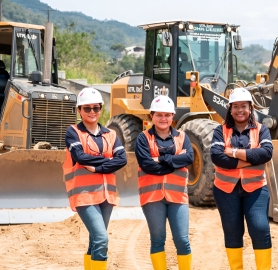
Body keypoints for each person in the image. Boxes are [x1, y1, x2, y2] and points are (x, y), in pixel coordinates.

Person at [63, 87, 127, 270]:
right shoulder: (73, 132)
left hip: (107, 195)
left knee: (95, 239)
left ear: (100, 109)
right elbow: (80, 157)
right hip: (84, 195)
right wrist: (108, 161)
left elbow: (122, 159)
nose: (92, 112)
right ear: (79, 110)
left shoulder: (111, 134)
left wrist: (98, 167)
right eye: (87, 108)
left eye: (96, 108)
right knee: (101, 238)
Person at [210, 88, 273, 270]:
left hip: (255, 188)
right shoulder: (220, 130)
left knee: (260, 228)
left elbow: (266, 153)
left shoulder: (262, 130)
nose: (240, 110)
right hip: (225, 189)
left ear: (250, 108)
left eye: (244, 106)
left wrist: (235, 153)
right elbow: (217, 157)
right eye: (235, 106)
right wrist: (248, 161)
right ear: (230, 109)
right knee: (232, 231)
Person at [135, 95, 194, 270]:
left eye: (167, 115)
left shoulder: (182, 137)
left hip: (178, 196)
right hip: (152, 197)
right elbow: (147, 165)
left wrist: (159, 159)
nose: (163, 118)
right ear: (151, 116)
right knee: (158, 239)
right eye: (159, 114)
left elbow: (189, 157)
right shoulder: (143, 138)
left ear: (173, 116)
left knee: (182, 240)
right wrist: (175, 161)